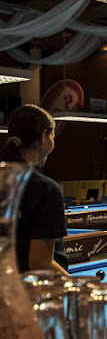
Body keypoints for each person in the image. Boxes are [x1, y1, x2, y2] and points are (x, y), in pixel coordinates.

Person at [0, 104, 69, 276]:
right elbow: (41, 264)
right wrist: (82, 288)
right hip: (28, 289)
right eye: (52, 136)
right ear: (44, 136)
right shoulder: (46, 189)